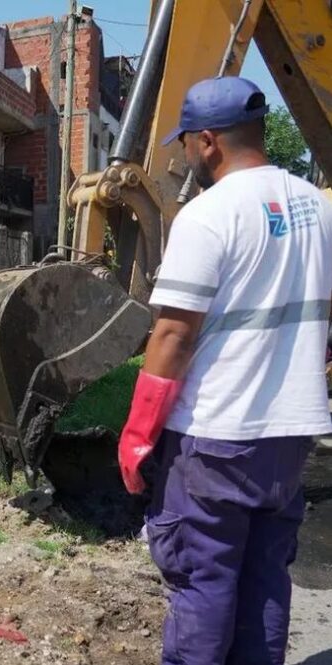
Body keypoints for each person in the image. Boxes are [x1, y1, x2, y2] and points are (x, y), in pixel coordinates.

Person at [117, 77, 332, 665]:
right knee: (266, 575)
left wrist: (137, 436)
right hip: (291, 436)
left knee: (203, 576)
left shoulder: (208, 215)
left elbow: (174, 334)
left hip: (216, 437)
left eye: (185, 141)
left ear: (207, 141)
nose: (185, 153)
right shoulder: (320, 209)